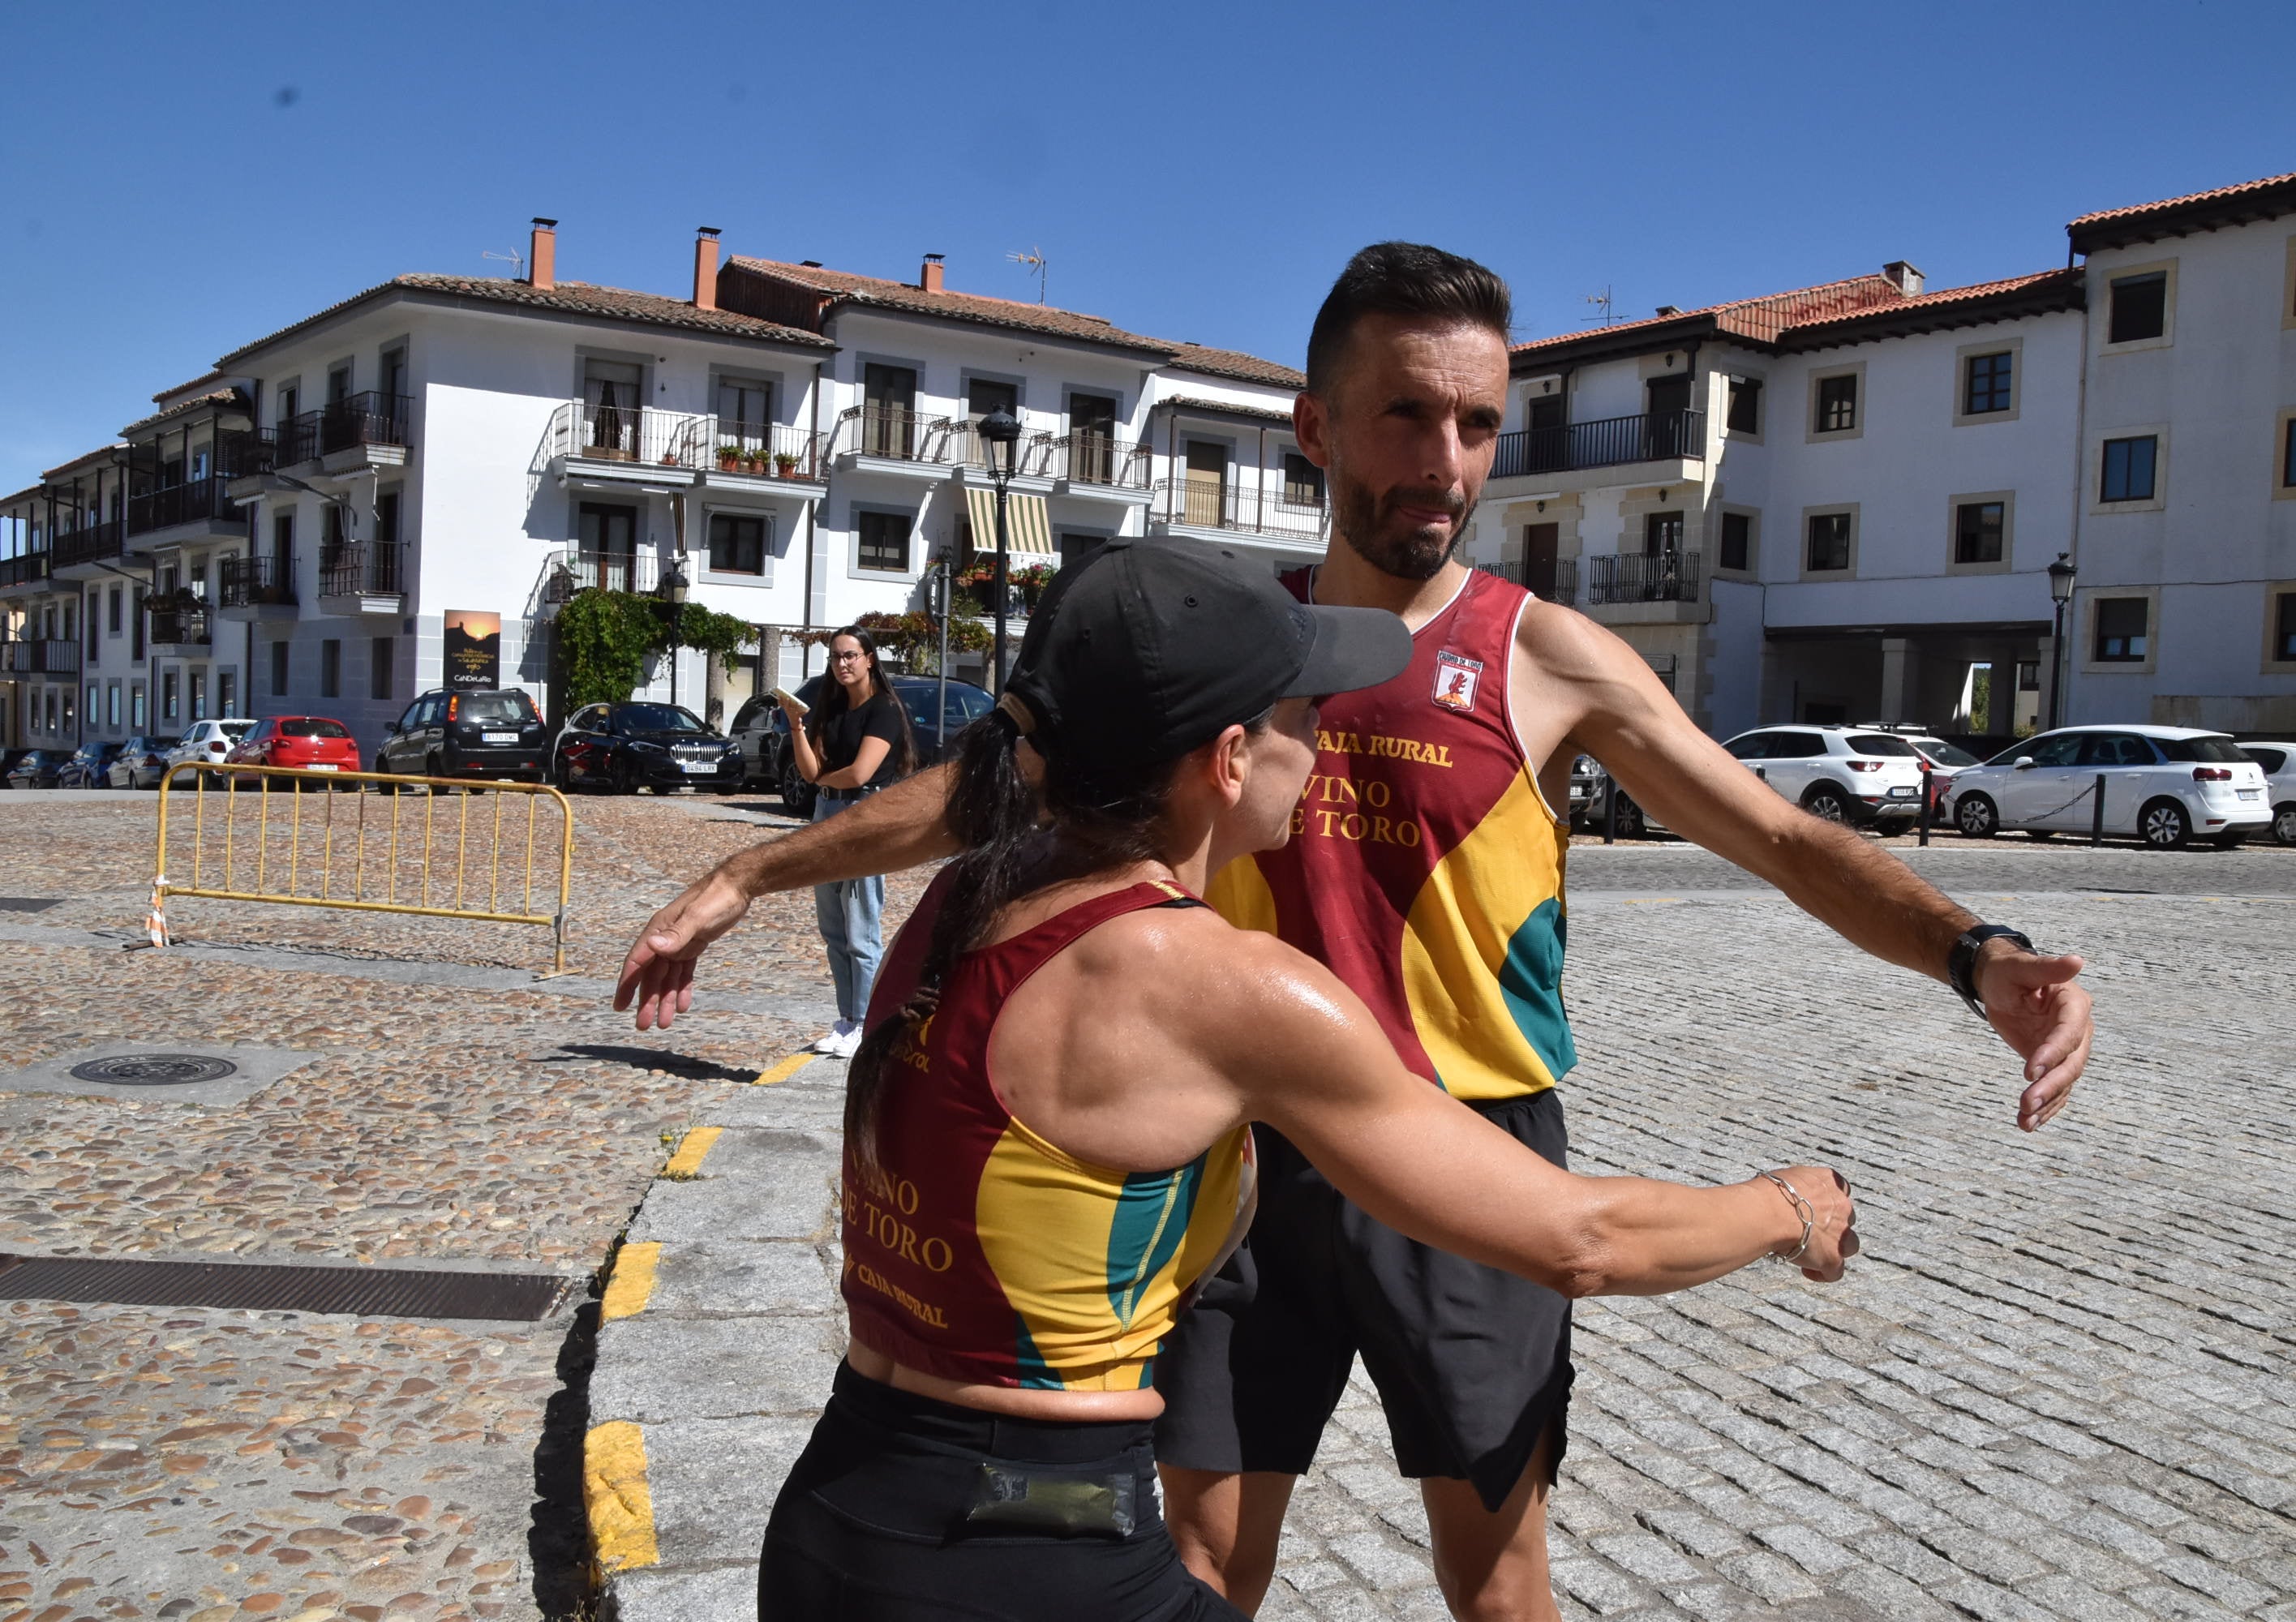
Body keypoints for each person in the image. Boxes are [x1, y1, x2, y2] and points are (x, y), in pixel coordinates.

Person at [618, 242, 2095, 1622]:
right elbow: (994, 786)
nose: (1443, 462)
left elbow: (1780, 836)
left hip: (1471, 1152)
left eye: (1473, 424)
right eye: (1405, 416)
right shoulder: (1241, 648)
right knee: (1197, 1555)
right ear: (1317, 427)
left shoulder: (1544, 655)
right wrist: (753, 876)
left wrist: (1974, 957)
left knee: (1496, 1580)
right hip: (1241, 1157)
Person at [753, 540, 1857, 1620]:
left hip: (839, 1513)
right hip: (1036, 1551)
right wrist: (1790, 1206)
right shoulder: (1222, 986)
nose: (1325, 746)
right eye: (1309, 719)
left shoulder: (965, 898)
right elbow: (1584, 1243)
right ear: (1231, 759)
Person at [778, 627, 916, 1058]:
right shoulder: (830, 708)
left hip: (862, 815)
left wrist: (822, 778)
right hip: (825, 812)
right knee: (834, 929)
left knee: (861, 929)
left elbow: (859, 773)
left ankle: (866, 1023)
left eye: (851, 656)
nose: (842, 664)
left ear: (870, 659)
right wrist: (797, 726)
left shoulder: (885, 710)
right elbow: (807, 770)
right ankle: (847, 1020)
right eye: (836, 657)